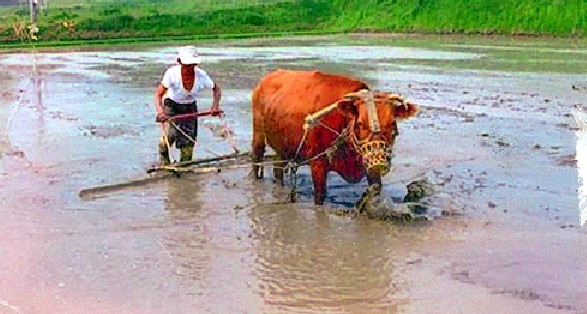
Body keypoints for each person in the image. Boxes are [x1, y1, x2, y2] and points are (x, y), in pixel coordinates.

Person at [155, 45, 222, 164]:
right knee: (170, 135)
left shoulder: (201, 75)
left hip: (190, 107)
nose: (190, 68)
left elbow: (216, 89)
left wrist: (215, 106)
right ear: (179, 62)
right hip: (172, 105)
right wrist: (160, 112)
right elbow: (159, 94)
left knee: (188, 140)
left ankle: (185, 166)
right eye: (187, 65)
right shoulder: (172, 74)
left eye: (192, 65)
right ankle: (164, 160)